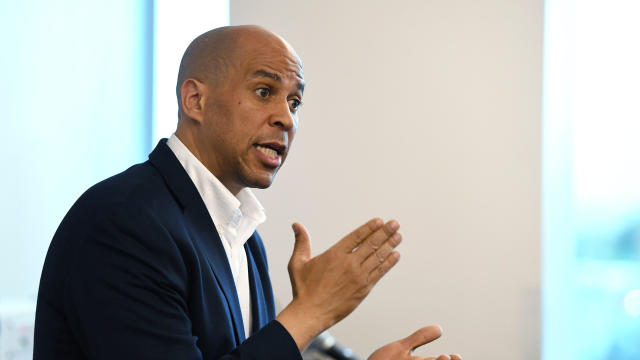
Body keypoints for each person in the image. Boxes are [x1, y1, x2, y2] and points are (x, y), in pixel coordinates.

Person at [34, 25, 461, 360]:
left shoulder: (244, 237)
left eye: (294, 102)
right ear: (195, 100)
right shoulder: (121, 221)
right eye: (264, 92)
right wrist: (309, 313)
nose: (286, 119)